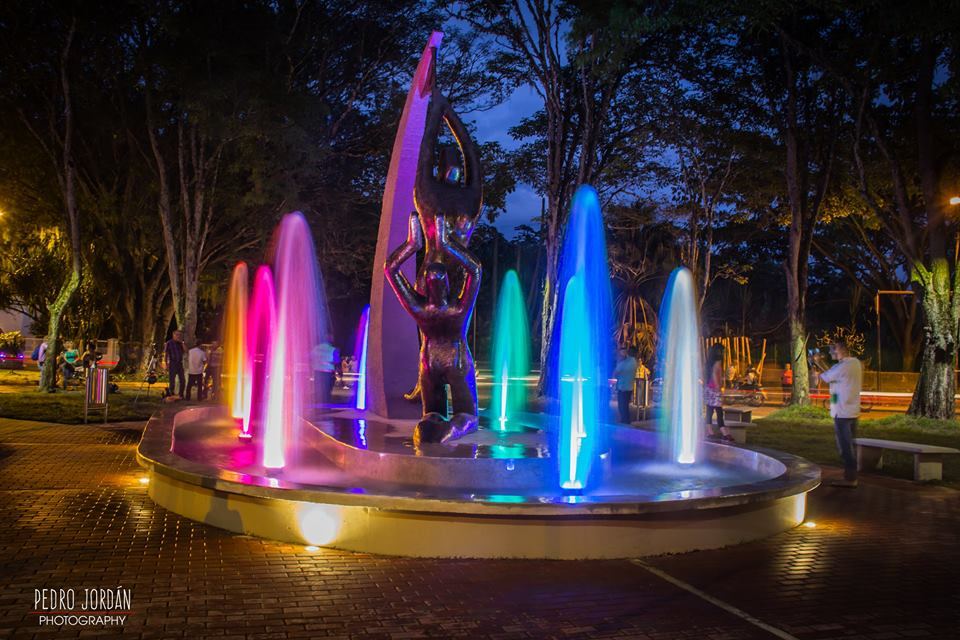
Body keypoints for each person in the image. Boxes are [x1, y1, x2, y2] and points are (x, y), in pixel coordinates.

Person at [818, 340, 862, 488]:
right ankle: (851, 476)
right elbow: (831, 374)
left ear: (841, 350)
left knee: (845, 447)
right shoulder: (854, 363)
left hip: (842, 413)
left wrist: (817, 362)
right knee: (849, 445)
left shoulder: (843, 366)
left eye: (833, 350)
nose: (830, 353)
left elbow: (825, 377)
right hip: (851, 411)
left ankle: (850, 479)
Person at [704, 344, 733, 442]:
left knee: (710, 410)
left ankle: (709, 431)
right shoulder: (718, 361)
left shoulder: (710, 361)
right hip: (714, 389)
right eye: (723, 351)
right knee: (719, 411)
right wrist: (717, 386)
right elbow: (714, 373)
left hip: (709, 387)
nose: (725, 353)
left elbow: (712, 373)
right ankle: (724, 432)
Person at [613, 346, 639, 424]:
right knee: (624, 406)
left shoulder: (629, 362)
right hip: (627, 387)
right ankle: (625, 421)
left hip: (624, 387)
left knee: (622, 406)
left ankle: (625, 422)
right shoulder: (633, 362)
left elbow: (617, 371)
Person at [311, 336, 337, 404]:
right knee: (327, 389)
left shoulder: (315, 348)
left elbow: (311, 358)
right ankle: (326, 403)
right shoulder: (333, 349)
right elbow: (336, 361)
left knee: (318, 389)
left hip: (317, 371)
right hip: (328, 371)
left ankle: (318, 402)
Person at [164, 329, 186, 398]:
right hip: (172, 363)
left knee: (182, 380)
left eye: (179, 335)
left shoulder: (180, 344)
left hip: (179, 363)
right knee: (172, 380)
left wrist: (182, 343)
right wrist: (166, 364)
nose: (178, 336)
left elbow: (186, 350)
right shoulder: (169, 343)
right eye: (176, 334)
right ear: (173, 335)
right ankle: (171, 394)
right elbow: (166, 354)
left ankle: (181, 394)